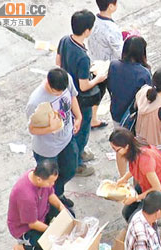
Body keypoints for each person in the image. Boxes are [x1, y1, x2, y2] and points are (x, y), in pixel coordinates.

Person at [56, 9, 107, 177]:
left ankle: (78, 153)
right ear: (87, 31)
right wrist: (98, 78)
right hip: (80, 99)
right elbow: (84, 86)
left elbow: (58, 62)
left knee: (72, 127)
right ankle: (76, 163)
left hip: (65, 92)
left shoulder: (64, 40)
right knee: (82, 130)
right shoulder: (82, 57)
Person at [26, 68, 81, 208]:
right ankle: (49, 205)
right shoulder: (36, 102)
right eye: (57, 92)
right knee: (47, 181)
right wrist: (52, 128)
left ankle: (58, 193)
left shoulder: (66, 79)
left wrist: (78, 117)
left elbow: (73, 96)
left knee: (70, 168)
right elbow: (32, 129)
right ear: (48, 84)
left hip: (67, 138)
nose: (61, 94)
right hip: (47, 149)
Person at [109, 128, 161, 222]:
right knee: (126, 213)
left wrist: (136, 198)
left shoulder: (144, 160)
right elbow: (135, 167)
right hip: (149, 183)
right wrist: (124, 178)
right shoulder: (136, 147)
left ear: (126, 146)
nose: (116, 153)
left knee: (136, 220)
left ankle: (152, 221)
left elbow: (157, 187)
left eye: (117, 150)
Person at [8, 160, 66, 250]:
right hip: (25, 227)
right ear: (39, 179)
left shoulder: (40, 177)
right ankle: (21, 248)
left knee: (68, 215)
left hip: (41, 211)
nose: (52, 184)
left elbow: (51, 194)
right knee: (47, 245)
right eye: (50, 182)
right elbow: (33, 224)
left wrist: (61, 207)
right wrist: (53, 231)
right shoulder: (26, 196)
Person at [87, 0, 124, 129]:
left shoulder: (93, 21)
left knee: (97, 92)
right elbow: (120, 53)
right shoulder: (112, 29)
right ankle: (93, 119)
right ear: (111, 6)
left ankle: (92, 118)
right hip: (108, 68)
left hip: (94, 62)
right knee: (108, 93)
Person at [107, 36, 151, 126]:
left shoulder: (113, 65)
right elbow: (147, 98)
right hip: (133, 118)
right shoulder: (144, 73)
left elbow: (110, 86)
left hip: (116, 111)